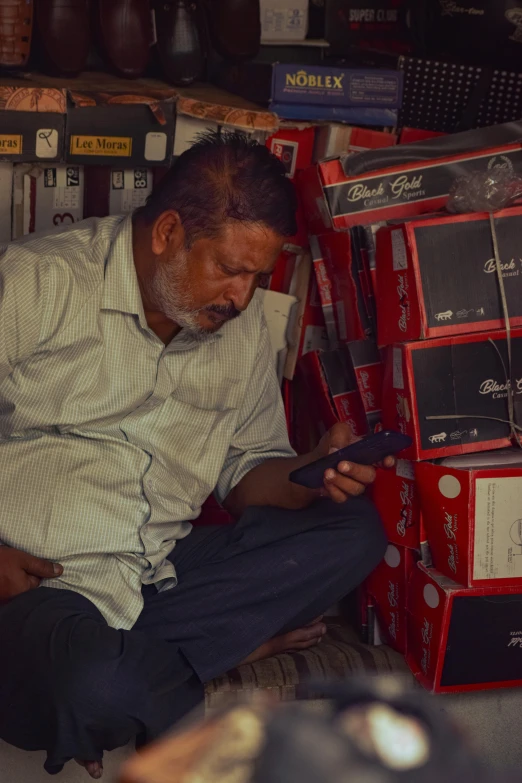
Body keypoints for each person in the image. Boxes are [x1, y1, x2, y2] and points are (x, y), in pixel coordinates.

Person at [0, 131, 388, 779]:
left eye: (258, 276)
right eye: (229, 269)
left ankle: (147, 667)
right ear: (168, 232)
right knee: (93, 684)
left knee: (354, 531)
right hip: (44, 584)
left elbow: (246, 475)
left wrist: (310, 473)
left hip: (161, 575)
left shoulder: (237, 327)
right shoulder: (34, 284)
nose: (241, 296)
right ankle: (205, 654)